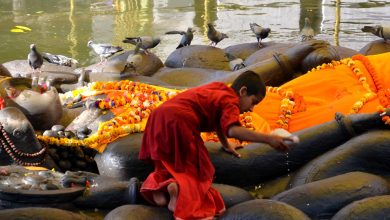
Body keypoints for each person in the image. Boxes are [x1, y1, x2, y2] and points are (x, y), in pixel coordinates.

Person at [138, 70, 296, 219]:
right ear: (243, 91)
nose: (251, 109)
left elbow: (219, 123)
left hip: (158, 116)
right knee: (199, 170)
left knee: (168, 161)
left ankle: (160, 187)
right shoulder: (231, 102)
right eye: (253, 102)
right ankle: (179, 196)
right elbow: (232, 130)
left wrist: (226, 145)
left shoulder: (220, 89)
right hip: (180, 122)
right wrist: (269, 139)